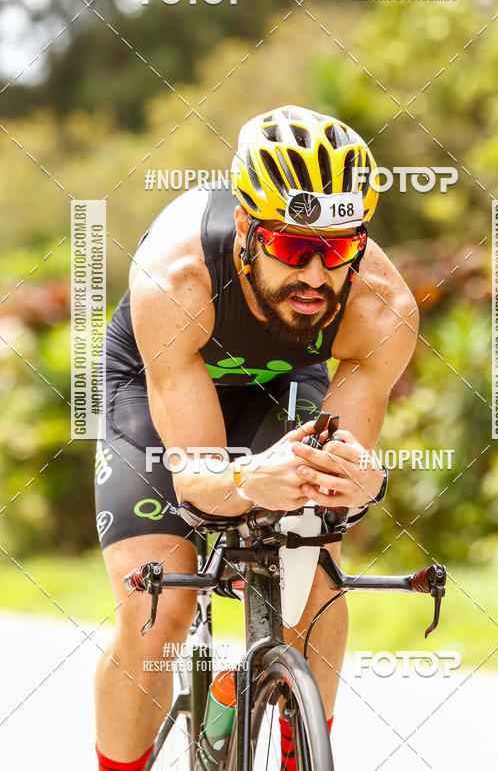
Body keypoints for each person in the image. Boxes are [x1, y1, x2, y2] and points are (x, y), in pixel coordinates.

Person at [93, 105, 418, 770]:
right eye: (295, 250)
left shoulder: (382, 309)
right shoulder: (176, 278)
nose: (317, 276)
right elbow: (196, 480)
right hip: (157, 385)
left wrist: (360, 484)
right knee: (157, 609)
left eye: (339, 249)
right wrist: (246, 480)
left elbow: (339, 488)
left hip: (282, 381)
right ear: (246, 229)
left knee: (313, 567)